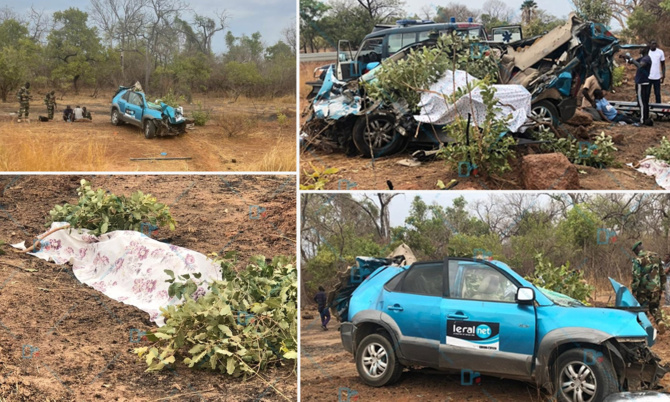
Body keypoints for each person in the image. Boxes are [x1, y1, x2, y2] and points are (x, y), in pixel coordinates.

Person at [632, 241, 667, 333]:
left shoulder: (638, 259)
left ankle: (645, 328)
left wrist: (634, 291)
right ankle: (659, 321)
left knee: (642, 308)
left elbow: (636, 277)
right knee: (654, 306)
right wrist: (662, 288)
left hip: (643, 290)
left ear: (636, 251)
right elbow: (662, 274)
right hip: (656, 288)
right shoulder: (656, 256)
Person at [620, 47, 653, 126]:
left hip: (641, 83)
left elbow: (640, 65)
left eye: (641, 48)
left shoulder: (646, 59)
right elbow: (632, 62)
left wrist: (631, 58)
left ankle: (642, 121)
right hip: (643, 82)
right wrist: (626, 58)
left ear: (645, 50)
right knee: (644, 102)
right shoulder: (643, 58)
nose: (640, 49)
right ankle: (645, 118)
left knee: (642, 103)